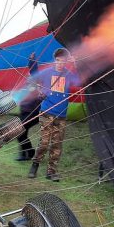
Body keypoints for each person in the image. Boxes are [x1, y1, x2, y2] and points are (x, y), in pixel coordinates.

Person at [28, 48, 79, 181]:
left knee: (57, 144)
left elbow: (79, 82)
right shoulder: (47, 73)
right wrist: (32, 61)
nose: (60, 63)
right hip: (46, 113)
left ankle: (51, 171)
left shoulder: (68, 74)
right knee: (44, 142)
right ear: (55, 60)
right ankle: (35, 164)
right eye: (57, 60)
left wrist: (76, 64)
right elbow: (34, 75)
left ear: (66, 62)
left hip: (61, 115)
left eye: (63, 61)